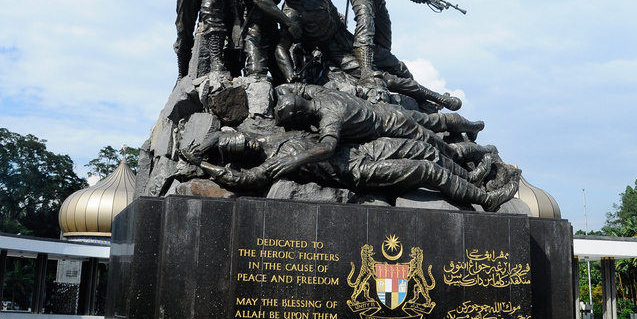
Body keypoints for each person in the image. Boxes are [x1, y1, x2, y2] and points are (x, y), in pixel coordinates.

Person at [272, 0, 465, 112]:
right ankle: (439, 98)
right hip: (335, 52)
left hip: (349, 39)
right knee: (385, 79)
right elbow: (280, 46)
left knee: (395, 64)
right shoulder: (292, 13)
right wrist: (289, 75)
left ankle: (423, 102)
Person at [189, 130, 518, 211]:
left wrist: (206, 145)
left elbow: (218, 136)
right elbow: (242, 180)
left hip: (362, 149)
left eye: (237, 139)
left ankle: (470, 176)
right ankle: (484, 198)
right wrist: (202, 164)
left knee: (424, 147)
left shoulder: (273, 135)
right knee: (427, 171)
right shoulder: (271, 164)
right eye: (234, 147)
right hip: (360, 171)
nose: (240, 142)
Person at [271, 84, 494, 179]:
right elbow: (297, 88)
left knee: (442, 150)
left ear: (301, 115)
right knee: (435, 121)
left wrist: (296, 158)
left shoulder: (330, 118)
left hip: (392, 126)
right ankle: (473, 127)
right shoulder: (321, 94)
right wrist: (283, 93)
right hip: (389, 110)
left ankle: (480, 155)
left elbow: (328, 148)